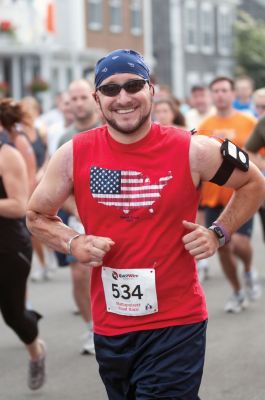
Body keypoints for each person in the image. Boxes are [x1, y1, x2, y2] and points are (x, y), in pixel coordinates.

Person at [26, 49, 265, 400]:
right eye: (110, 90)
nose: (123, 98)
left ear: (151, 90)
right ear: (97, 98)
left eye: (134, 85)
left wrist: (218, 232)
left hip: (176, 322)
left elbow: (253, 183)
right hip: (111, 325)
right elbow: (36, 215)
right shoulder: (74, 153)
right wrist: (73, 242)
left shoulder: (192, 149)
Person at [198, 76, 261, 312]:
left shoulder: (249, 122)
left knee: (241, 244)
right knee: (223, 247)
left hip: (241, 196)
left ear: (233, 94)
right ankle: (236, 291)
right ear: (212, 95)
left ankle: (248, 270)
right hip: (214, 198)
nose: (220, 95)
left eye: (225, 90)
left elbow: (259, 156)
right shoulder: (205, 125)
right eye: (216, 91)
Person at [0, 99, 46, 391]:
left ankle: (35, 350)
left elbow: (20, 205)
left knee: (13, 315)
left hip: (8, 247)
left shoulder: (8, 154)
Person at [57, 79, 101, 355]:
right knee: (78, 274)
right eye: (73, 99)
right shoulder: (65, 138)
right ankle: (91, 327)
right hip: (78, 214)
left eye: (83, 97)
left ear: (93, 98)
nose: (78, 103)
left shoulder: (110, 128)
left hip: (115, 210)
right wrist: (81, 213)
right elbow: (60, 186)